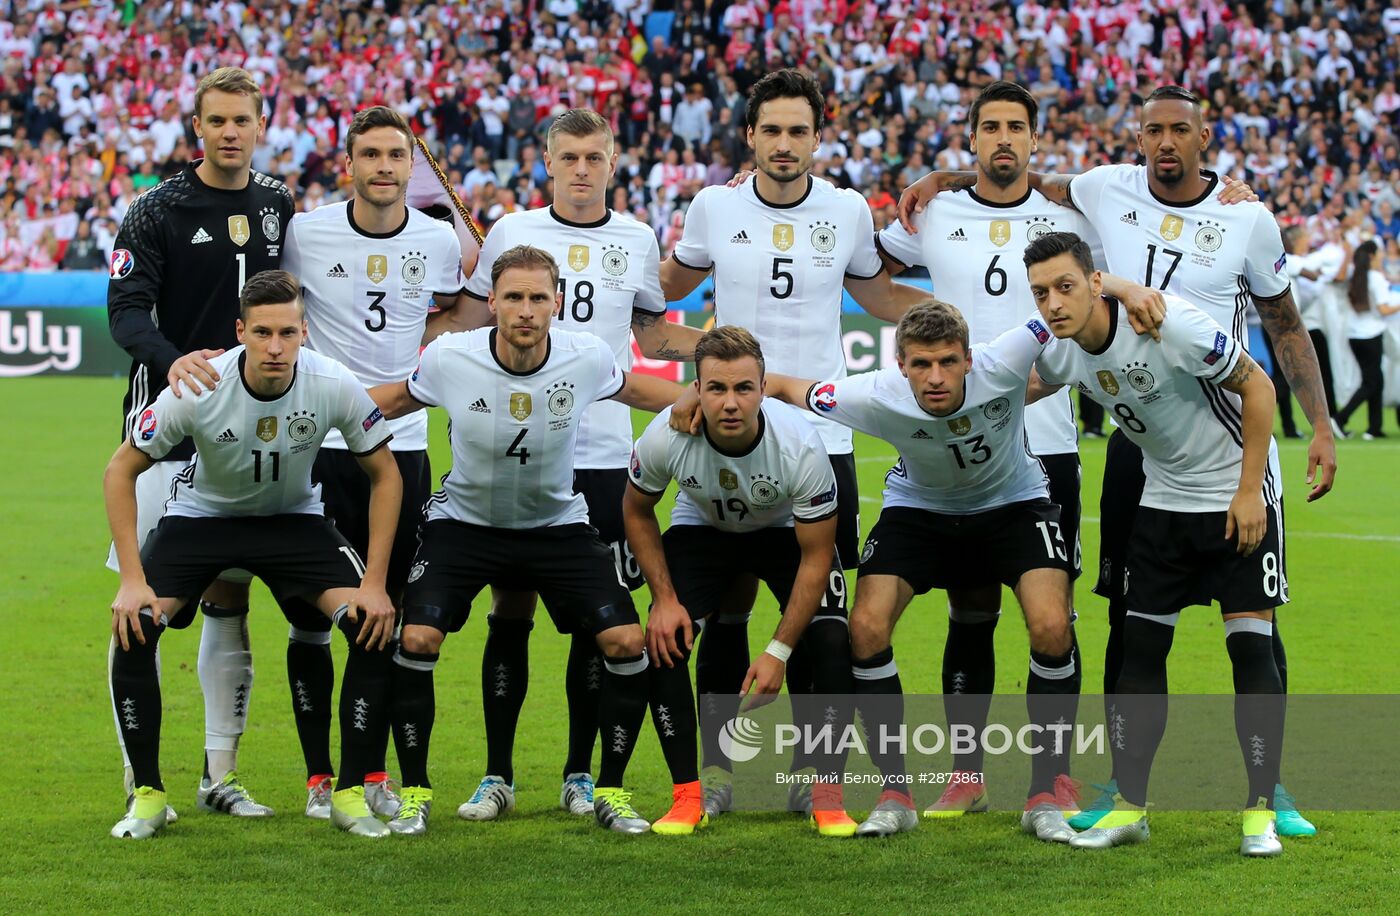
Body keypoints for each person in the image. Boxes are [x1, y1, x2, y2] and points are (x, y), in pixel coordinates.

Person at [900, 84, 1334, 836]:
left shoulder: (1246, 215)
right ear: (1138, 138)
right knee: (1130, 618)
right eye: (1153, 131)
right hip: (1143, 445)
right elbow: (1024, 178)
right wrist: (943, 180)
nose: (1166, 143)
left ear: (1206, 137)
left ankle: (1271, 786)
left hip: (1226, 429)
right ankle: (1121, 782)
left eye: (1181, 130)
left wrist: (1321, 424)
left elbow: (1284, 324)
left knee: (1252, 616)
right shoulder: (1105, 189)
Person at [874, 81, 1161, 816]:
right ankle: (965, 775)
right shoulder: (934, 210)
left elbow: (1147, 233)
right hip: (954, 443)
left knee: (1052, 615)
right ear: (970, 139)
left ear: (1037, 139)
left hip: (1048, 440)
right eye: (989, 128)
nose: (1003, 139)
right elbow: (863, 270)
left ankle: (1050, 779)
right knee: (970, 608)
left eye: (1016, 128)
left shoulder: (1072, 216)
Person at [660, 68, 931, 816]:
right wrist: (707, 361)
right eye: (771, 130)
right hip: (728, 436)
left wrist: (963, 304)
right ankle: (715, 779)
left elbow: (876, 298)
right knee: (724, 613)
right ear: (750, 135)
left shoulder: (845, 210)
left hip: (821, 441)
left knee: (821, 622)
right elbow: (662, 298)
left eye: (798, 131)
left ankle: (820, 782)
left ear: (819, 136)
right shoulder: (714, 206)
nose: (784, 144)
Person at [367, 244, 685, 836]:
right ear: (491, 301)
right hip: (464, 523)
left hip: (556, 525)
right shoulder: (449, 357)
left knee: (623, 641)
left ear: (557, 302)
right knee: (417, 636)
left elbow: (639, 392)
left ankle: (604, 788)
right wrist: (315, 409)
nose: (526, 310)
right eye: (513, 296)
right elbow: (397, 398)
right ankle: (418, 793)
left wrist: (706, 399)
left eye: (538, 297)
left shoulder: (585, 356)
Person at [458, 109, 705, 821]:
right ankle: (496, 775)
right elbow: (474, 328)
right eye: (567, 157)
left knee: (599, 621)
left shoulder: (636, 237)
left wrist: (723, 362)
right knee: (511, 607)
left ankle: (578, 774)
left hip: (603, 455)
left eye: (593, 157)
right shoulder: (511, 232)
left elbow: (651, 332)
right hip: (519, 452)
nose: (580, 170)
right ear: (546, 162)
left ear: (614, 160)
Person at [760, 302, 1081, 842]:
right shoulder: (873, 393)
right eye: (921, 364)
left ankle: (1045, 791)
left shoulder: (1003, 360)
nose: (935, 378)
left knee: (1052, 626)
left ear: (968, 359)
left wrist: (1119, 291)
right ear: (901, 364)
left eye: (948, 362)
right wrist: (702, 392)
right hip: (919, 510)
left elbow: (1068, 305)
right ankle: (896, 795)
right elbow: (787, 387)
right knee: (864, 628)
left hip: (1014, 503)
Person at [106, 270, 402, 840]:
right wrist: (132, 580)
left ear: (303, 332)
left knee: (373, 623)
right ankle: (146, 795)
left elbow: (384, 474)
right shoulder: (199, 385)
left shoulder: (333, 382)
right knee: (136, 624)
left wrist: (377, 583)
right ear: (240, 331)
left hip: (294, 521)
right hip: (204, 519)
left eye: (288, 333)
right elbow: (121, 469)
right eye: (262, 332)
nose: (275, 347)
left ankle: (348, 797)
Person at [1024, 232, 1289, 857]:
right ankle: (1131, 807)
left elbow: (1259, 389)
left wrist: (1250, 491)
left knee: (1251, 650)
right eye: (1041, 293)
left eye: (1066, 286)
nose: (1054, 304)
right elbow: (1009, 380)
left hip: (1235, 493)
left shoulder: (1169, 326)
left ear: (1097, 282)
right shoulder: (1062, 353)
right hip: (1163, 500)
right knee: (1140, 650)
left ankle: (1259, 812)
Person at [280, 105, 480, 821]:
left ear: (410, 164)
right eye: (371, 154)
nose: (385, 166)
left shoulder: (434, 237)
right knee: (311, 618)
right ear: (351, 162)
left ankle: (370, 778)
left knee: (383, 615)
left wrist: (415, 365)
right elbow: (284, 311)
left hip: (406, 447)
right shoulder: (307, 232)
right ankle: (317, 778)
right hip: (321, 448)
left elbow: (456, 311)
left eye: (397, 154)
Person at [105, 66, 294, 820]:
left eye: (240, 120)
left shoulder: (278, 203)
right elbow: (125, 312)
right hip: (167, 436)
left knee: (229, 596)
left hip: (249, 434)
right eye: (215, 120)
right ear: (198, 128)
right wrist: (170, 356)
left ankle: (221, 776)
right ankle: (141, 782)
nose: (228, 132)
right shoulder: (155, 210)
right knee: (140, 608)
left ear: (259, 123)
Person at [624, 327, 856, 838]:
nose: (731, 403)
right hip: (702, 527)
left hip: (783, 532)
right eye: (717, 389)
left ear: (763, 386)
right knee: (664, 641)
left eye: (744, 389)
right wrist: (663, 599)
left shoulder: (799, 444)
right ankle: (692, 791)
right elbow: (637, 510)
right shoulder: (666, 434)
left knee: (834, 638)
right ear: (697, 390)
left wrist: (777, 650)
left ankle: (825, 792)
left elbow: (817, 556)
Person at [1336, 240, 1400, 438]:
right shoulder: (1376, 278)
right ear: (1372, 256)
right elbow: (1383, 309)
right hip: (1371, 334)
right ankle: (1340, 418)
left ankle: (1374, 427)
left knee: (1375, 381)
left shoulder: (1356, 276)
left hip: (1355, 334)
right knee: (1371, 383)